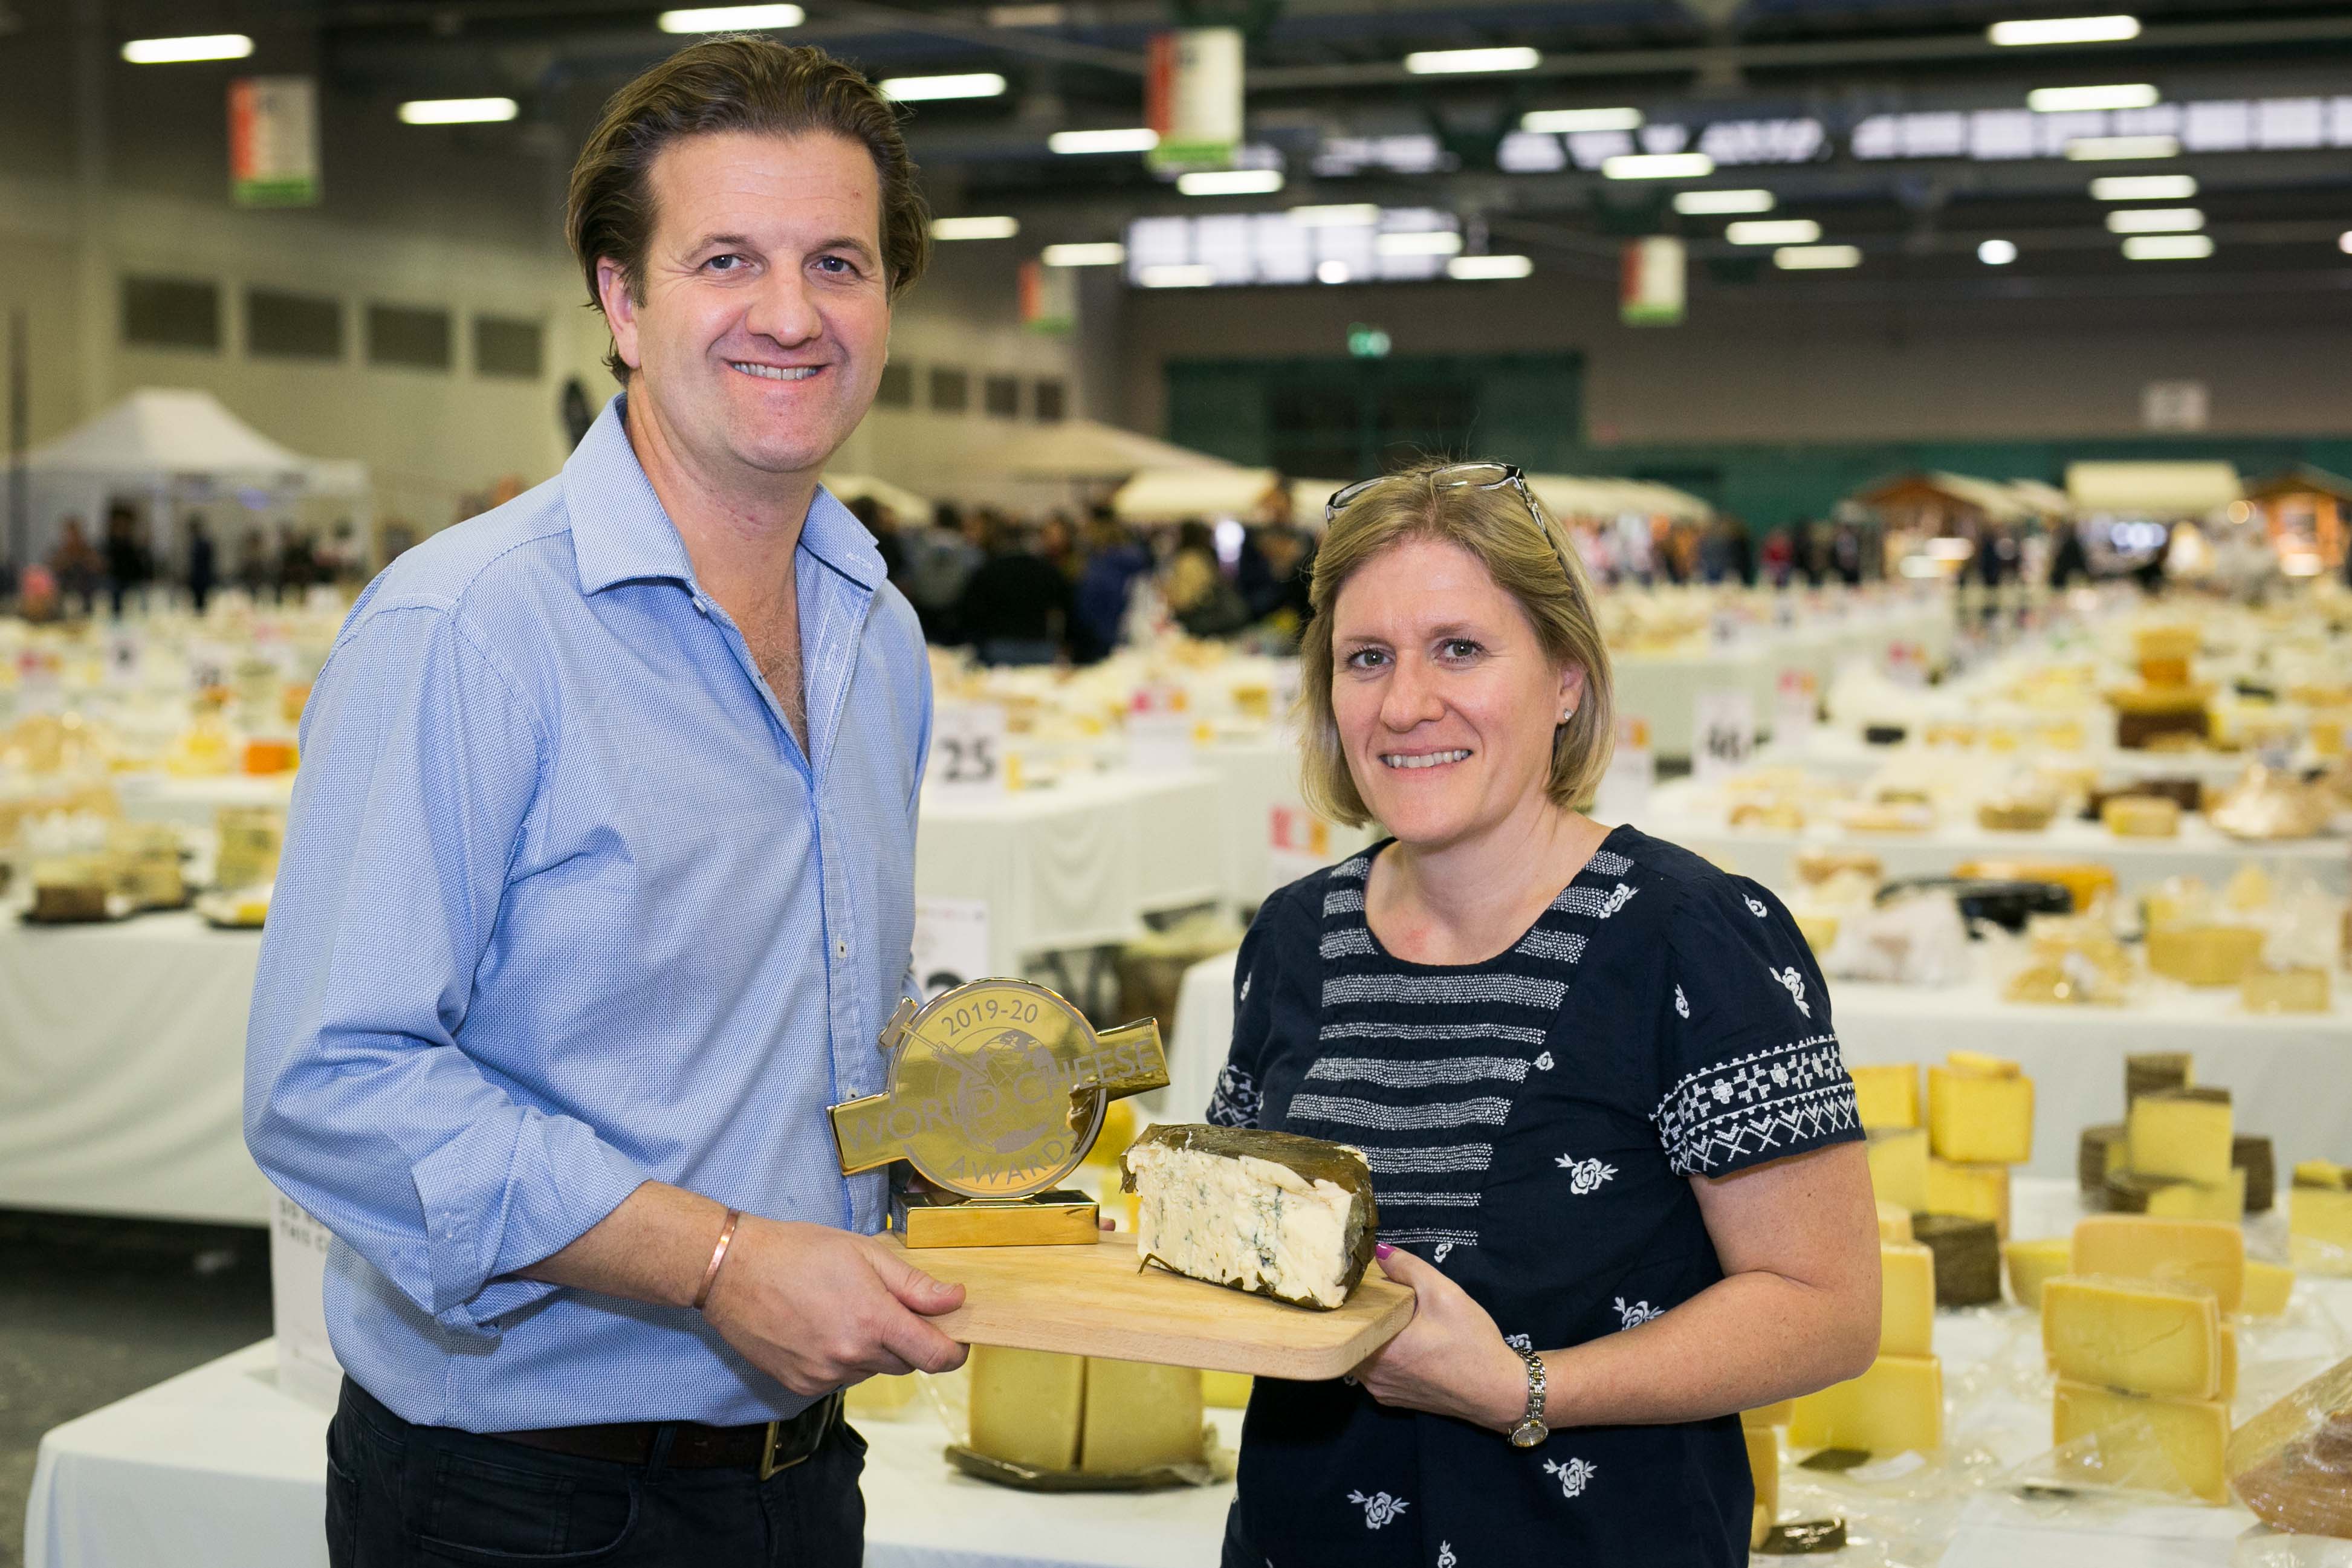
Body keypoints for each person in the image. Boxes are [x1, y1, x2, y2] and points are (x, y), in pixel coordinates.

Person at [245, 38, 968, 1568]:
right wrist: (714, 1260)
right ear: (622, 303)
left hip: (796, 1469)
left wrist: (955, 1122)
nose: (789, 312)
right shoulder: (469, 629)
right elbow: (332, 1082)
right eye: (726, 260)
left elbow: (795, 1021)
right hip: (520, 1498)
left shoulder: (874, 634)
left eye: (835, 261)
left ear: (886, 304)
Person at [1211, 461, 1879, 1567]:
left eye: (1460, 648)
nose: (1406, 701)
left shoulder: (1690, 935)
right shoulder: (1293, 939)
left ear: (1566, 678)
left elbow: (1828, 1305)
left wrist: (1524, 1386)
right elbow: (1256, 1256)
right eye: (1365, 657)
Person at [956, 514, 1072, 664]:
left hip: (998, 645)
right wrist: (1066, 641)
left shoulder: (989, 569)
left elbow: (972, 610)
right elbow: (1066, 607)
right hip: (1039, 646)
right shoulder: (1048, 570)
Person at [1071, 509, 1149, 663]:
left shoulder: (1099, 568)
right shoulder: (1134, 562)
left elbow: (1089, 609)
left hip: (1099, 642)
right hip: (1127, 639)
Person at [49, 516, 101, 617]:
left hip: (87, 598)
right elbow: (52, 570)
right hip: (64, 599)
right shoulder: (59, 552)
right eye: (70, 534)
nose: (73, 538)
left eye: (76, 534)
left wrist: (83, 556)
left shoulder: (89, 551)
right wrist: (69, 557)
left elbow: (100, 567)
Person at [186, 515, 217, 615]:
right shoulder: (194, 543)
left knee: (202, 605)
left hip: (202, 579)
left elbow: (208, 563)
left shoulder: (203, 544)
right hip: (197, 579)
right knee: (197, 605)